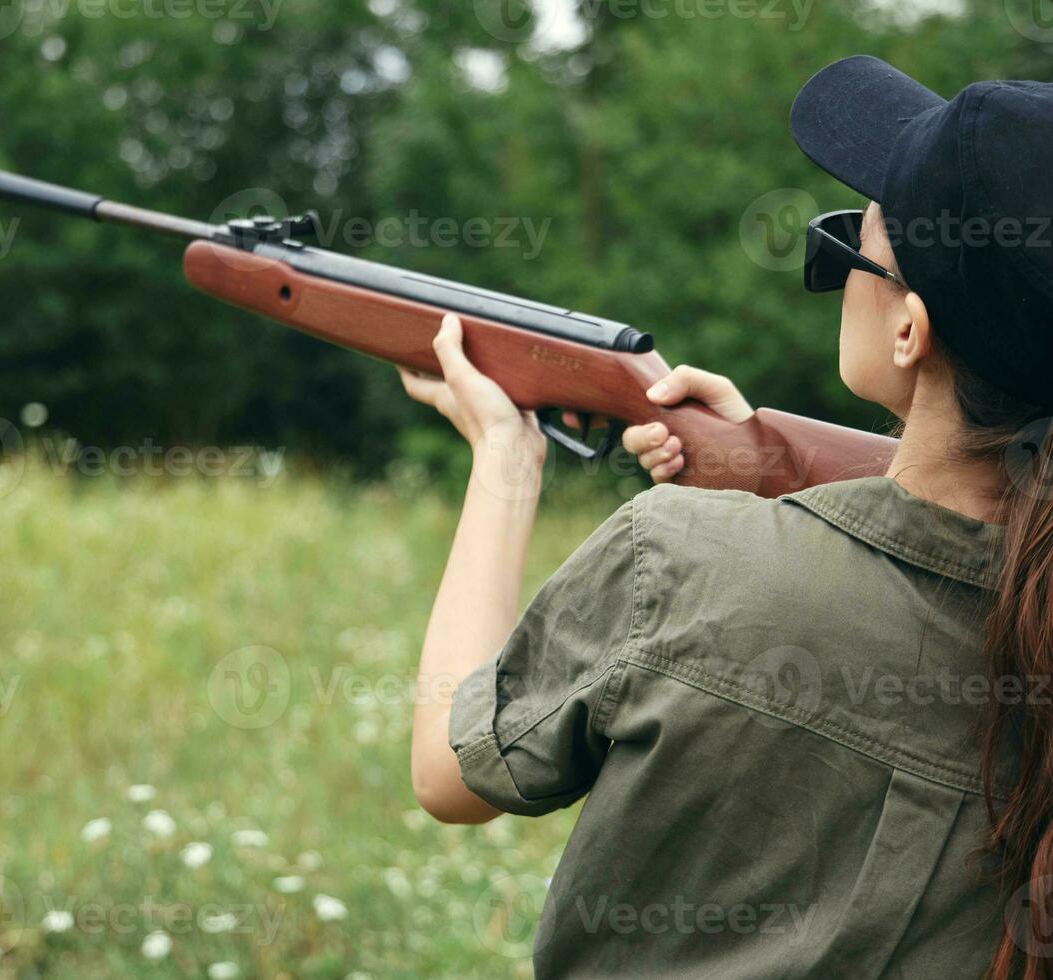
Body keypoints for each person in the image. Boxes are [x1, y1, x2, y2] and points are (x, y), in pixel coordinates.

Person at [399, 55, 1053, 978]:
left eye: (844, 249)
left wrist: (507, 461)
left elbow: (449, 770)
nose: (833, 268)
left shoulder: (673, 558)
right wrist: (769, 470)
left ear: (909, 330)